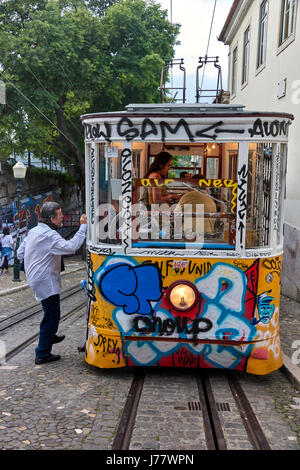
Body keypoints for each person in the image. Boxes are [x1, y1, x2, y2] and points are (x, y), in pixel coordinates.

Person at [24, 201, 87, 364]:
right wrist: (83, 227)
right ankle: (42, 353)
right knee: (51, 316)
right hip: (45, 280)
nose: (63, 218)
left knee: (51, 312)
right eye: (60, 215)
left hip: (38, 278)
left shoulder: (34, 231)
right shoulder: (49, 235)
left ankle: (50, 336)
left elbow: (19, 253)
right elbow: (71, 247)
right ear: (52, 219)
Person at [174, 174, 217, 238]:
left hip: (190, 233)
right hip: (208, 234)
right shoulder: (210, 198)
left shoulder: (189, 195)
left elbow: (175, 214)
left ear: (192, 184)